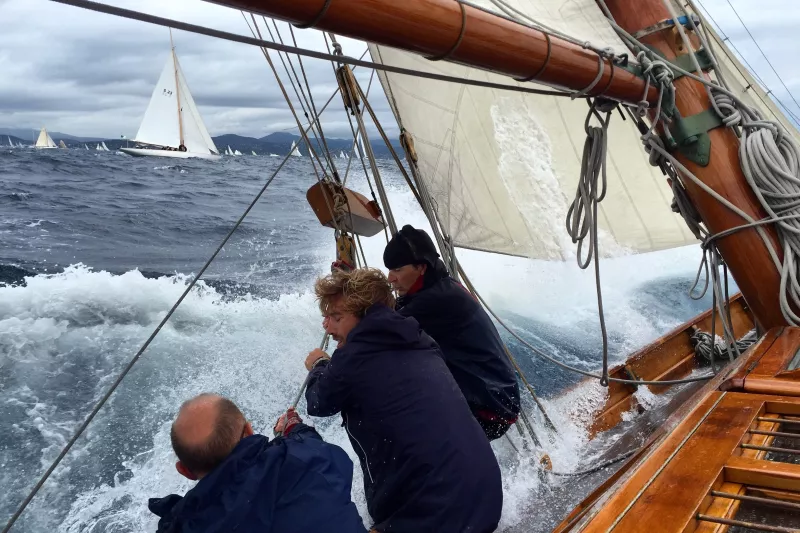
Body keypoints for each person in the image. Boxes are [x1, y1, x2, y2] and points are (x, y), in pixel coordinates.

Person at [304, 268, 503, 533]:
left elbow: (319, 403)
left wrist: (319, 365)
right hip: (486, 499)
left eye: (336, 317)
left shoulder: (352, 360)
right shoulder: (420, 339)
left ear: (364, 317)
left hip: (440, 517)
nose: (327, 327)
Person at [148, 393, 366, 533]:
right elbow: (315, 449)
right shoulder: (309, 457)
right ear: (250, 431)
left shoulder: (182, 525)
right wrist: (293, 427)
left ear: (184, 471)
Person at [383, 225, 521, 440]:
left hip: (490, 408)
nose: (390, 278)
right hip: (496, 397)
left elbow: (380, 330)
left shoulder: (436, 299)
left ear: (421, 268)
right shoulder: (439, 286)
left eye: (398, 270)